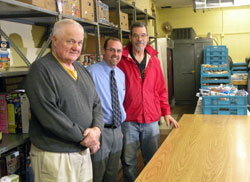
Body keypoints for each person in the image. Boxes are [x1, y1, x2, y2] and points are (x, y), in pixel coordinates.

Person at [24, 19, 104, 182]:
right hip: (56, 156)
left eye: (80, 42)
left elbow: (96, 103)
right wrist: (86, 138)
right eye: (71, 41)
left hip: (82, 152)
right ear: (54, 40)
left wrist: (96, 130)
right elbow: (49, 116)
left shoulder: (81, 68)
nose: (76, 47)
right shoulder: (41, 70)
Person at [117, 22, 180, 182]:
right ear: (130, 37)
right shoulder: (121, 61)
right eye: (136, 35)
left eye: (143, 35)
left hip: (151, 119)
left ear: (148, 37)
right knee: (129, 161)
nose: (140, 39)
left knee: (152, 159)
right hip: (128, 119)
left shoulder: (154, 61)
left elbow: (160, 89)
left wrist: (166, 112)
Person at [87, 38, 126, 182]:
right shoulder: (91, 73)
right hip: (100, 132)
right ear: (104, 51)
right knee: (97, 173)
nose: (116, 54)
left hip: (117, 131)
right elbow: (86, 104)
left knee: (112, 173)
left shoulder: (121, 75)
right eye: (112, 50)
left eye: (119, 50)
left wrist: (119, 128)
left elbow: (119, 102)